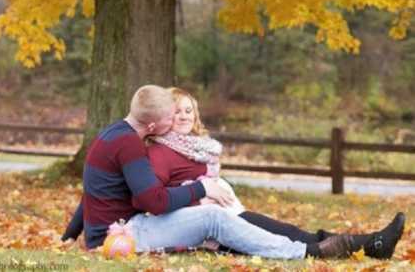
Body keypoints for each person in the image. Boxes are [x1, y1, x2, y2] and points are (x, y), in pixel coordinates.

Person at [64, 84, 373, 260]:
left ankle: (317, 244)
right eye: (173, 116)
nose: (179, 120)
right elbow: (152, 202)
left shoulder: (112, 134)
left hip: (113, 230)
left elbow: (90, 191)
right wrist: (203, 190)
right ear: (155, 126)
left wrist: (71, 234)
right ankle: (306, 251)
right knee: (213, 218)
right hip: (125, 233)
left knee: (219, 217)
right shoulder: (131, 146)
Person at [146, 87, 405, 259]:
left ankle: (372, 244)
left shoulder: (196, 148)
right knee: (291, 237)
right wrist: (200, 196)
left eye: (188, 110)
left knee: (291, 232)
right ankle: (370, 244)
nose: (183, 117)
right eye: (176, 111)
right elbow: (154, 201)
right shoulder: (161, 152)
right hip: (211, 226)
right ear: (164, 116)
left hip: (229, 214)